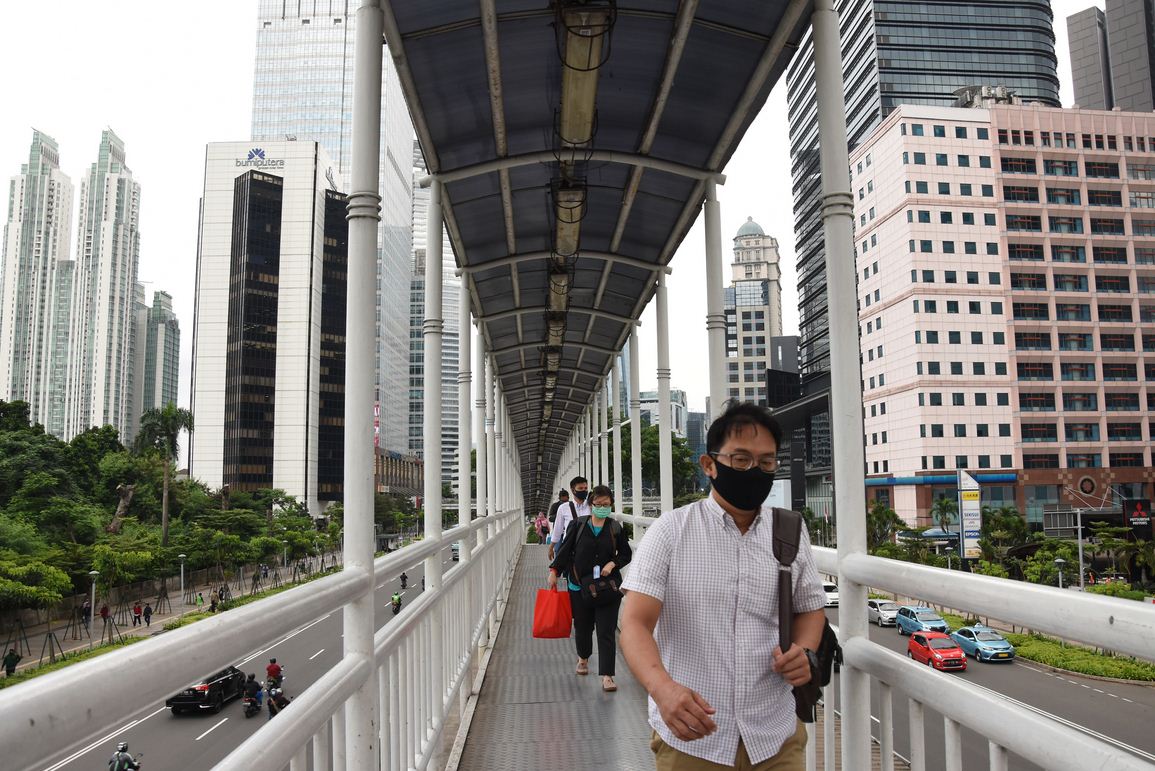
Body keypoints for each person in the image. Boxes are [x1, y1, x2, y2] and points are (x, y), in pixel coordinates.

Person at [620, 402, 827, 770]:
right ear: (709, 464)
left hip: (776, 734)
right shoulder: (671, 531)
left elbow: (810, 607)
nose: (754, 471)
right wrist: (663, 690)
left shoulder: (791, 531)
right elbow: (635, 623)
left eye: (766, 463)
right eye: (741, 460)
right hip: (694, 737)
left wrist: (805, 652)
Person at [549, 484, 632, 693]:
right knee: (584, 626)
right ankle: (583, 657)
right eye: (598, 504)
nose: (602, 508)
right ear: (591, 504)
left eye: (606, 504)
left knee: (606, 631)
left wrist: (613, 563)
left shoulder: (614, 528)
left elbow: (625, 554)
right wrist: (554, 571)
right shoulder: (578, 525)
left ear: (611, 504)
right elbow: (565, 550)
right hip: (579, 585)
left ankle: (607, 675)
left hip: (606, 587)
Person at [549, 477, 589, 561]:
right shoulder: (563, 508)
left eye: (585, 488)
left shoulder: (592, 506)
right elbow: (558, 529)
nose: (584, 491)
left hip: (588, 548)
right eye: (580, 488)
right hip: (570, 548)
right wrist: (551, 547)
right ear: (573, 490)